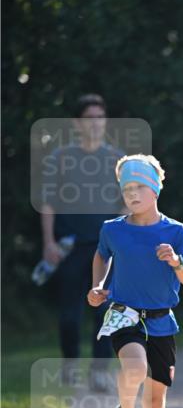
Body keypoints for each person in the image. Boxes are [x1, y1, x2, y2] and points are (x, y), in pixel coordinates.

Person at [87, 154, 183, 408]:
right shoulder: (113, 229)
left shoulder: (175, 231)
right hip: (125, 314)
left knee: (155, 401)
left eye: (139, 187)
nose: (132, 194)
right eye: (127, 189)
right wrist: (99, 285)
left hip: (162, 322)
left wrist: (175, 261)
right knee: (134, 368)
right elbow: (101, 255)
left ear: (155, 190)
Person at [40, 94, 125, 390]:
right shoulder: (60, 158)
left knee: (106, 312)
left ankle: (100, 373)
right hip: (68, 248)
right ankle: (70, 366)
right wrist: (48, 243)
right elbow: (48, 203)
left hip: (105, 249)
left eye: (100, 118)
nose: (95, 125)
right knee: (69, 315)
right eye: (89, 119)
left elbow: (125, 204)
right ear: (77, 123)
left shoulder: (117, 160)